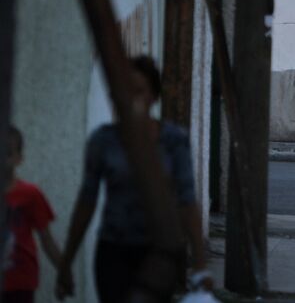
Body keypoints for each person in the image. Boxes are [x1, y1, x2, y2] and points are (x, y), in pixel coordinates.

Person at [57, 57, 212, 301]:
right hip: (113, 251)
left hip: (159, 252)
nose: (130, 99)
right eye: (123, 91)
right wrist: (66, 261)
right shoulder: (103, 142)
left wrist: (201, 266)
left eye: (139, 91)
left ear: (154, 96)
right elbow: (87, 201)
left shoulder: (173, 141)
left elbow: (187, 202)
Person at [6, 126, 62, 303]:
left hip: (20, 283)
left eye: (7, 153)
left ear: (19, 159)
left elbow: (46, 239)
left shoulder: (31, 194)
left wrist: (63, 271)